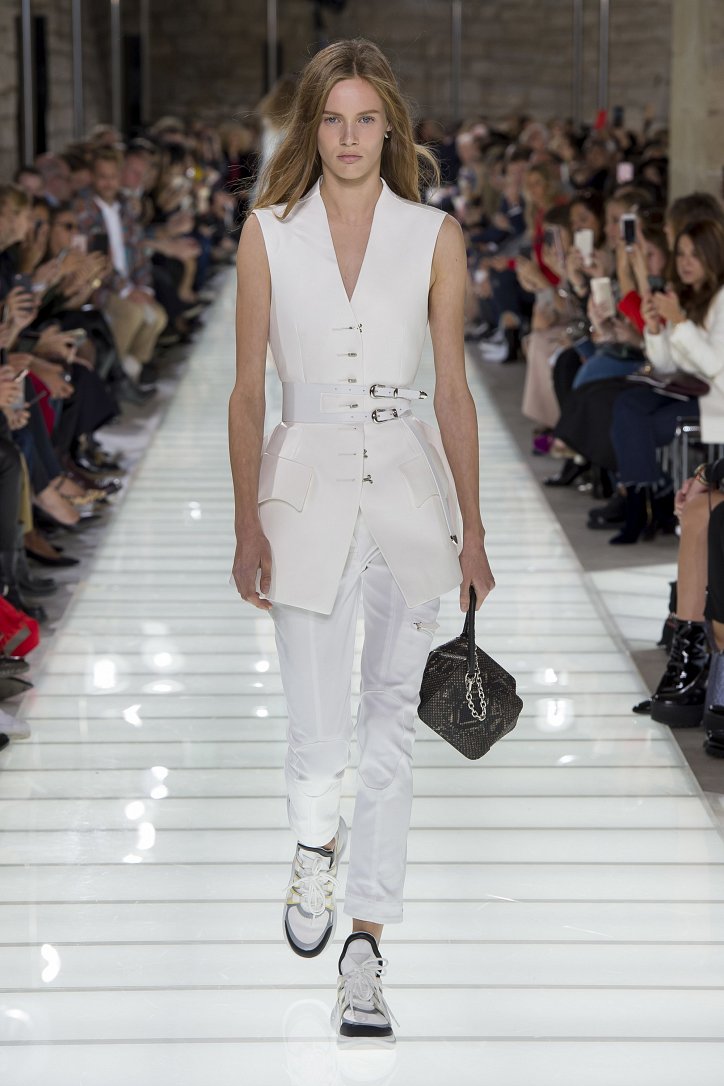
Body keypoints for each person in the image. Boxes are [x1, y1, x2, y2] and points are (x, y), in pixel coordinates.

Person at [229, 38, 494, 1045]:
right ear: (313, 127)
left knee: (389, 731)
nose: (348, 137)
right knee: (317, 740)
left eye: (365, 119)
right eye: (332, 119)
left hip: (407, 495)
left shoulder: (433, 234)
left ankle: (366, 949)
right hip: (300, 492)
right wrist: (244, 519)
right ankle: (314, 843)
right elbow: (246, 392)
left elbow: (454, 390)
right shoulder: (268, 233)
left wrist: (473, 532)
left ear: (391, 128)